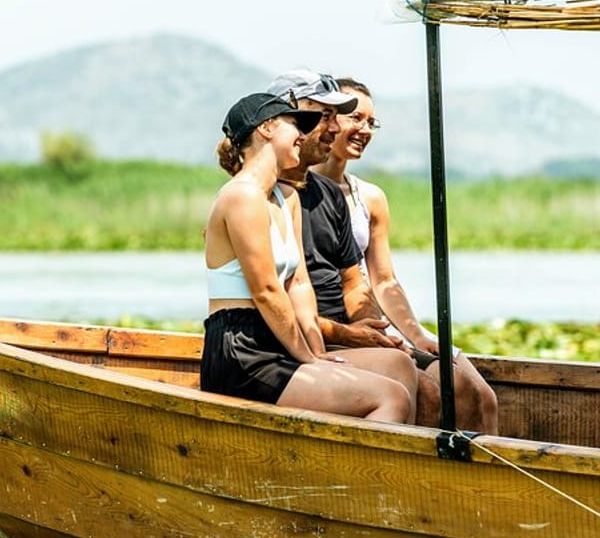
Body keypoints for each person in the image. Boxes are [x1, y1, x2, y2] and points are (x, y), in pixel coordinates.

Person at [201, 91, 416, 423]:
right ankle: (359, 475)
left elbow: (298, 284)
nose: (304, 136)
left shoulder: (286, 197)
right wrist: (308, 358)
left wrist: (316, 350)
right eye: (295, 125)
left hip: (282, 340)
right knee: (390, 397)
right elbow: (267, 292)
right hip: (242, 349)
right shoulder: (241, 196)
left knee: (397, 365)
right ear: (267, 128)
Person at [311, 77, 499, 433]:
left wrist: (415, 335)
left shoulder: (370, 197)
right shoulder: (299, 192)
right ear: (329, 121)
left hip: (378, 316)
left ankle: (484, 482)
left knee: (479, 393)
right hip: (334, 320)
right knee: (438, 393)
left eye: (371, 122)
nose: (363, 130)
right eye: (355, 118)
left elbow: (383, 280)